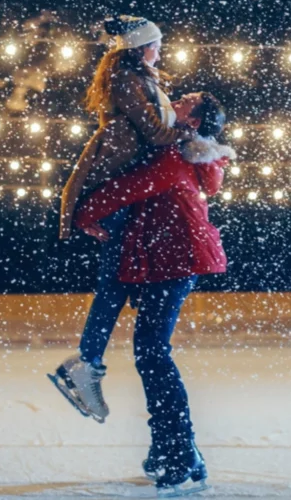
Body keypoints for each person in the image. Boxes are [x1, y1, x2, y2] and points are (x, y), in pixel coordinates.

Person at [74, 92, 232, 496]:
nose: (175, 99)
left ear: (193, 122)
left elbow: (126, 188)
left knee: (152, 353)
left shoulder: (175, 157)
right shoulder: (179, 153)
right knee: (150, 353)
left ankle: (179, 455)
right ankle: (169, 451)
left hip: (175, 258)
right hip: (169, 259)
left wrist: (81, 211)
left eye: (186, 100)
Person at [50, 15, 195, 423]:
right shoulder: (126, 79)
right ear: (141, 47)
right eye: (157, 44)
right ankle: (86, 364)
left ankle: (87, 363)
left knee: (118, 282)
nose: (160, 51)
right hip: (113, 183)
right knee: (113, 284)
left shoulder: (136, 78)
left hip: (122, 186)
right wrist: (191, 136)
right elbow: (153, 132)